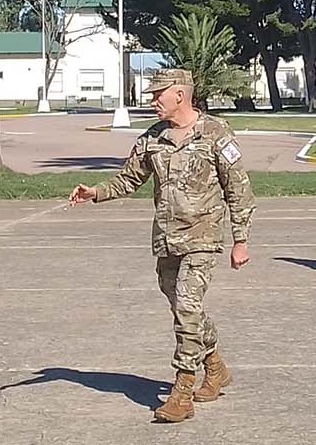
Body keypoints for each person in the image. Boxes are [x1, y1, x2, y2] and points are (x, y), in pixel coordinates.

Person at [68, 68, 255, 424]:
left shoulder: (216, 134)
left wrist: (240, 240)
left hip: (203, 237)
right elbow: (129, 179)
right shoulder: (152, 138)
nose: (153, 100)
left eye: (159, 94)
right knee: (186, 311)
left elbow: (239, 189)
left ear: (180, 96)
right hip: (167, 240)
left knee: (187, 306)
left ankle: (183, 388)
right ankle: (215, 365)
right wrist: (95, 193)